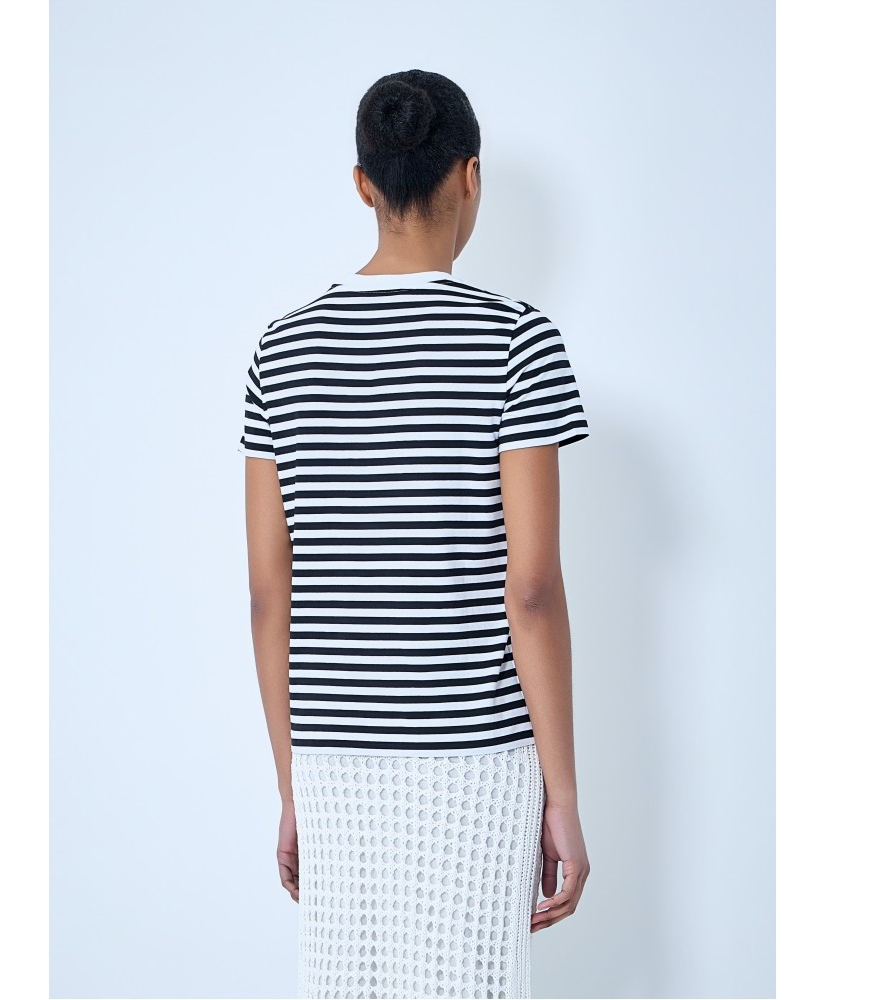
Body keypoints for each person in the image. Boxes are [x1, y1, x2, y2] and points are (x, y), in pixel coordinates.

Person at [239, 68, 592, 1000]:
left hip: (333, 757)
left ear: (363, 183)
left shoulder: (282, 348)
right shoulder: (517, 340)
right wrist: (562, 796)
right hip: (478, 755)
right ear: (470, 175)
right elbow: (532, 590)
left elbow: (270, 595)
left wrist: (291, 784)